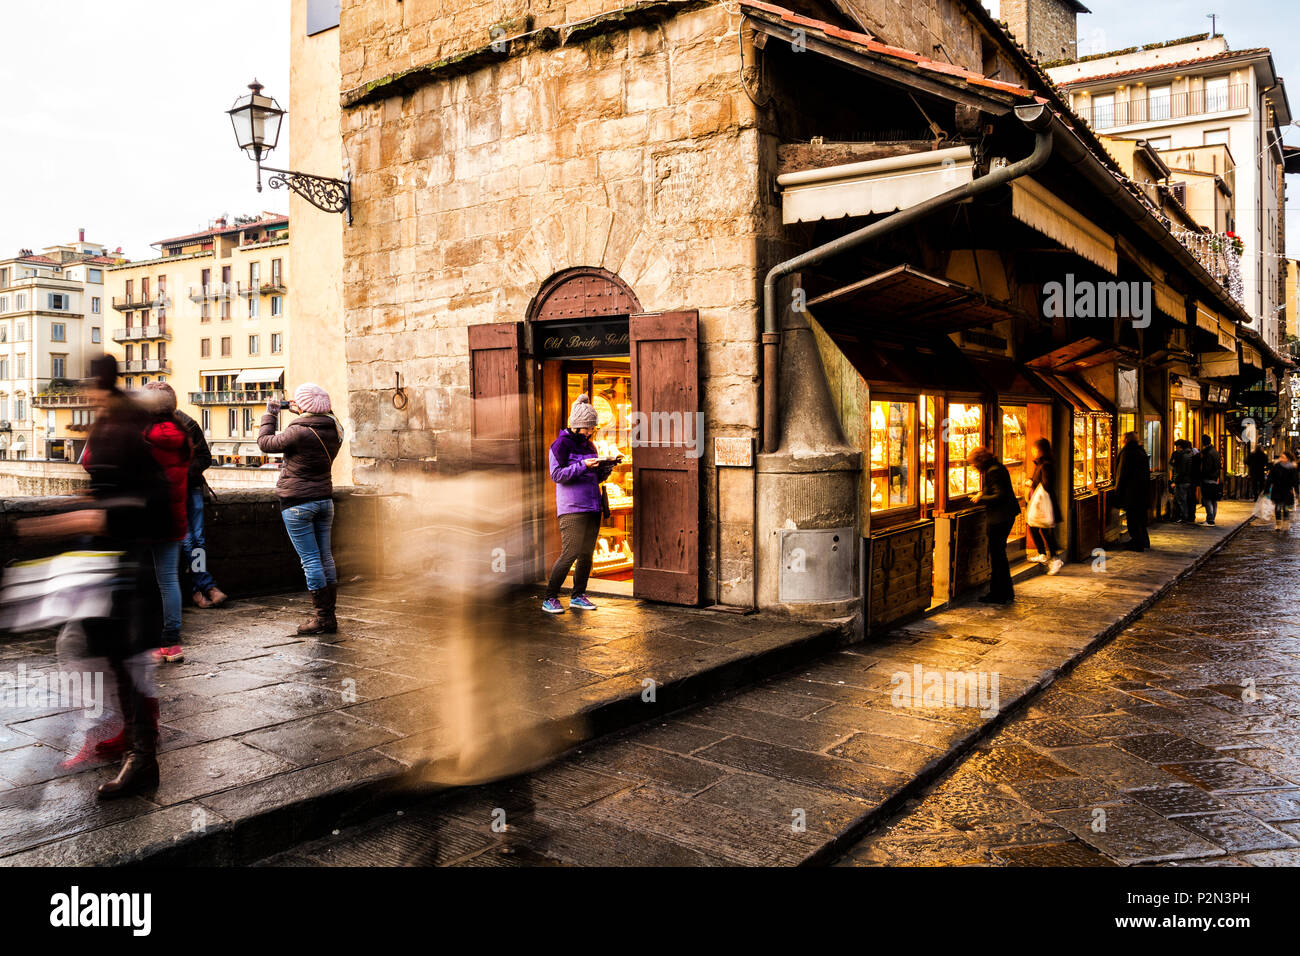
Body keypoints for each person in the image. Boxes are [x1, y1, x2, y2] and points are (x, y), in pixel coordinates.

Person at [17, 356, 173, 798]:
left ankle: (137, 754)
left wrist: (83, 517)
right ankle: (133, 749)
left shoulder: (121, 428)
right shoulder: (115, 423)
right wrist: (81, 506)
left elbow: (142, 502)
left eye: (90, 386)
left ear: (100, 386)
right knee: (116, 658)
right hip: (112, 564)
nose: (85, 393)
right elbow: (116, 492)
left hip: (123, 565)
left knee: (115, 657)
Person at [259, 384, 343, 634]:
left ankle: (323, 618)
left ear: (303, 406)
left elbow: (265, 443)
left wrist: (270, 414)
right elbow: (312, 427)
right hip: (324, 500)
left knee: (310, 561)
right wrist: (304, 412)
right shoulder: (335, 427)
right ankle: (329, 615)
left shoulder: (298, 431)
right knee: (325, 557)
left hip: (298, 502)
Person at [543, 393, 617, 614]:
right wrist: (584, 465)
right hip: (572, 508)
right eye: (587, 428)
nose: (590, 432)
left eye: (591, 428)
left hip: (593, 505)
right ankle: (549, 597)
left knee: (586, 553)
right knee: (571, 552)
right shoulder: (560, 446)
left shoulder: (590, 445)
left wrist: (605, 468)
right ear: (576, 426)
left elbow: (595, 477)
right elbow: (557, 475)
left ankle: (578, 595)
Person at [141, 382, 192, 664]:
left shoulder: (143, 437)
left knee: (144, 581)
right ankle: (172, 644)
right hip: (174, 516)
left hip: (146, 516)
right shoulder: (183, 435)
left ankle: (149, 643)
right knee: (169, 580)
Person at [174, 402, 227, 609]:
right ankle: (206, 586)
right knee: (190, 542)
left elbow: (205, 457)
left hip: (189, 488)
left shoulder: (187, 424)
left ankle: (199, 588)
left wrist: (181, 474)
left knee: (197, 541)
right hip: (183, 489)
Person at [969, 446, 1021, 605]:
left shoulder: (993, 471)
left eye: (973, 464)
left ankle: (999, 594)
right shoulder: (997, 467)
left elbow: (999, 495)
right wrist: (982, 493)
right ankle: (1005, 592)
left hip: (1000, 518)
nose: (973, 467)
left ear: (980, 462)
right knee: (999, 556)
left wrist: (981, 498)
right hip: (1005, 516)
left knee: (998, 556)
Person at [1024, 438, 1064, 576]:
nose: (1032, 452)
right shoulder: (1041, 464)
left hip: (1045, 505)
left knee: (1046, 532)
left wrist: (1032, 484)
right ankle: (1042, 554)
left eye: (1034, 449)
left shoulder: (1046, 465)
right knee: (1034, 528)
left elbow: (1046, 484)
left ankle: (1055, 559)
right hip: (1042, 504)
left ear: (1040, 450)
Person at [1115, 431, 1151, 552]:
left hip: (1131, 492)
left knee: (1132, 519)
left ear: (1126, 440)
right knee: (1140, 518)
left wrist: (1118, 492)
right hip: (1142, 491)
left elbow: (1122, 474)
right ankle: (1143, 541)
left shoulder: (1127, 453)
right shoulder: (1141, 451)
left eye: (1122, 438)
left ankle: (1137, 544)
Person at [1267, 451, 1298, 532]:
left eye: (1283, 457)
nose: (1282, 459)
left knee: (1285, 508)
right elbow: (1270, 477)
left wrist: (1297, 490)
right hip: (1277, 489)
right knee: (1277, 507)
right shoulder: (1276, 466)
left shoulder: (1292, 468)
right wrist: (1267, 488)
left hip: (1287, 490)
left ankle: (1286, 523)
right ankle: (1278, 524)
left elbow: (1295, 480)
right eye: (1281, 457)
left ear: (1288, 458)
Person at [1170, 439, 1195, 523]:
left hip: (1182, 481)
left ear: (1179, 447)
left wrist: (1175, 481)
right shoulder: (1188, 454)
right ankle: (1182, 516)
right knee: (1181, 499)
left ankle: (1184, 517)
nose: (1175, 448)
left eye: (1176, 447)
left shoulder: (1183, 456)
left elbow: (1181, 470)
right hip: (1187, 480)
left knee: (1181, 500)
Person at [1199, 435, 1221, 526]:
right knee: (1213, 499)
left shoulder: (1208, 453)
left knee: (1207, 498)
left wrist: (1202, 476)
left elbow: (1207, 468)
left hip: (1208, 478)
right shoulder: (1215, 451)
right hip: (1214, 478)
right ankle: (1211, 518)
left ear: (1203, 442)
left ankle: (1210, 519)